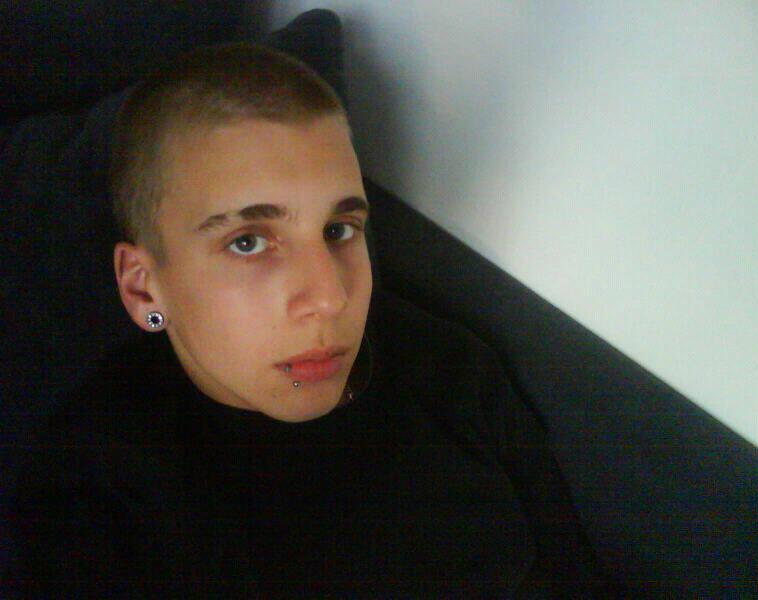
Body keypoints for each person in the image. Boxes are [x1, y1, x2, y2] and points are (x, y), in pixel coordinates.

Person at [2, 43, 623, 597]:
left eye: (339, 229)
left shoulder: (451, 371)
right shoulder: (91, 501)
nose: (330, 298)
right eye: (248, 241)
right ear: (143, 288)